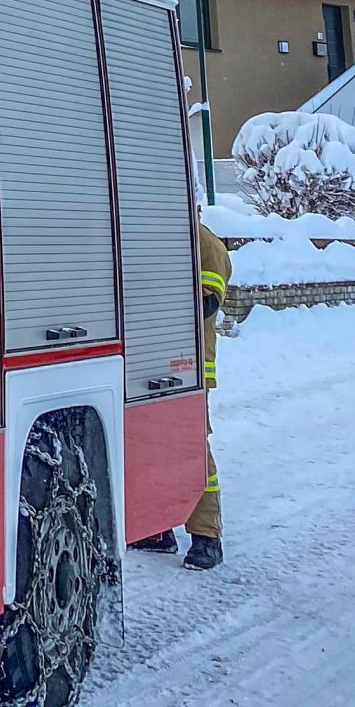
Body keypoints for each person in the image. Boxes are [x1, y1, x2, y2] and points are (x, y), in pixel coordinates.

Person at [137, 218, 231, 569]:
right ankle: (158, 528)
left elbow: (207, 302)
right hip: (150, 366)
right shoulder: (162, 237)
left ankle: (207, 536)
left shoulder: (205, 243)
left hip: (187, 367)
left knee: (192, 450)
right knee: (149, 449)